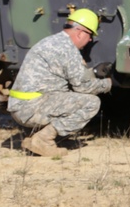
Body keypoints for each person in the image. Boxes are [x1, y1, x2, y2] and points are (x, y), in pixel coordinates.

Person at [7, 8, 113, 157]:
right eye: (90, 35)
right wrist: (108, 83)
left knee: (67, 94)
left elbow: (65, 76)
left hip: (20, 105)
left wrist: (93, 73)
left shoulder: (53, 41)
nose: (90, 40)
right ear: (80, 32)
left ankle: (43, 138)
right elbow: (82, 87)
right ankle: (43, 140)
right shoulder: (68, 49)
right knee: (91, 103)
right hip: (31, 108)